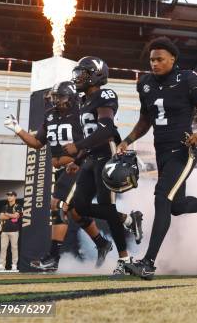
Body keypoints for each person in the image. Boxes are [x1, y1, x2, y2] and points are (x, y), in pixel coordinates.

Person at [117, 37, 197, 280]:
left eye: (160, 59)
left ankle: (148, 263)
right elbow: (145, 121)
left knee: (162, 198)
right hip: (161, 150)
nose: (155, 64)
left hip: (183, 150)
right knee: (177, 206)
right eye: (151, 60)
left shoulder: (187, 79)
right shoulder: (146, 84)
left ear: (173, 59)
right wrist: (127, 140)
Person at [3, 81, 113, 271]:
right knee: (76, 212)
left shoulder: (81, 113)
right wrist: (18, 129)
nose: (56, 101)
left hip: (78, 166)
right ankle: (103, 241)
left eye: (60, 97)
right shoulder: (50, 115)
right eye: (54, 97)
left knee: (58, 205)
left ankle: (53, 257)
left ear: (71, 97)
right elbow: (37, 142)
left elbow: (92, 138)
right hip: (62, 170)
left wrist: (79, 159)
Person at [63, 56, 143, 277]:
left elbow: (106, 130)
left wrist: (77, 147)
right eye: (77, 73)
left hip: (107, 156)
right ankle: (128, 219)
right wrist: (77, 160)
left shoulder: (104, 95)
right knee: (79, 207)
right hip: (91, 158)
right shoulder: (82, 101)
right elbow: (91, 134)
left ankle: (125, 260)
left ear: (97, 75)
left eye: (83, 73)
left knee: (107, 210)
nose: (78, 77)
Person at [0, 191, 22, 271]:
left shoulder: (18, 206)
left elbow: (16, 216)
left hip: (14, 230)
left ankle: (14, 265)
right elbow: (1, 217)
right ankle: (2, 265)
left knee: (14, 248)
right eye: (8, 195)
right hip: (4, 230)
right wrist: (11, 216)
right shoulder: (5, 207)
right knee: (3, 248)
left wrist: (7, 214)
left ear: (15, 197)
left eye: (11, 195)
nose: (9, 197)